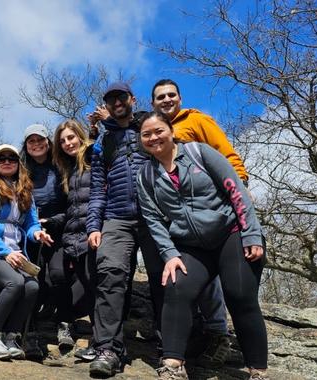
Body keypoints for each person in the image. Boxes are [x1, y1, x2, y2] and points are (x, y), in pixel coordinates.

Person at [136, 112, 268, 380]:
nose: (153, 137)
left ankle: (258, 370)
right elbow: (153, 220)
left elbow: (235, 190)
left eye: (158, 130)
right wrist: (170, 254)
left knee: (240, 295)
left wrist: (251, 233)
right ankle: (173, 365)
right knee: (176, 286)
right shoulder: (146, 175)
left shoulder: (199, 153)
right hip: (192, 245)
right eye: (146, 134)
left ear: (171, 131)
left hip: (230, 234)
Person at [152, 78, 248, 365]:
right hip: (178, 214)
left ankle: (222, 334)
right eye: (161, 97)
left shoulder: (197, 121)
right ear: (153, 103)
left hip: (212, 209)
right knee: (191, 274)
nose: (167, 100)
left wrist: (240, 185)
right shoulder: (153, 130)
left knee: (223, 278)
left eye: (171, 95)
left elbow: (226, 153)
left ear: (180, 98)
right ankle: (200, 333)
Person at [84, 82, 165, 376]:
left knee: (164, 278)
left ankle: (169, 347)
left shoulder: (148, 127)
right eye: (110, 99)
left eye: (121, 97)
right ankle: (108, 349)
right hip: (116, 218)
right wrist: (94, 225)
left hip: (154, 215)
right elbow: (96, 190)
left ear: (131, 99)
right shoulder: (102, 144)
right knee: (110, 275)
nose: (116, 102)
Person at [0, 144, 53, 360]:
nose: (7, 162)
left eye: (12, 158)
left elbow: (31, 223)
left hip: (14, 251)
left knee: (32, 286)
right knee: (14, 282)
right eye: (1, 158)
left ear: (18, 164)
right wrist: (5, 252)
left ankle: (10, 337)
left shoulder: (25, 191)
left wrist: (37, 234)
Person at [20, 124, 67, 356]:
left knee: (57, 274)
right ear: (26, 147)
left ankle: (63, 321)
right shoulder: (21, 169)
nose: (36, 144)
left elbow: (71, 198)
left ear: (48, 143)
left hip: (58, 227)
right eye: (31, 141)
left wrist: (56, 220)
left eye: (40, 140)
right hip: (30, 230)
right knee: (32, 277)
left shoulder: (60, 166)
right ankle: (31, 330)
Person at [51, 120, 96, 352]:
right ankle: (67, 326)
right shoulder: (66, 170)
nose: (68, 143)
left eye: (71, 137)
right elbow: (71, 209)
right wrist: (51, 221)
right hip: (72, 236)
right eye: (63, 140)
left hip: (93, 233)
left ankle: (103, 340)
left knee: (94, 284)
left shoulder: (92, 157)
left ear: (80, 136)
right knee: (68, 279)